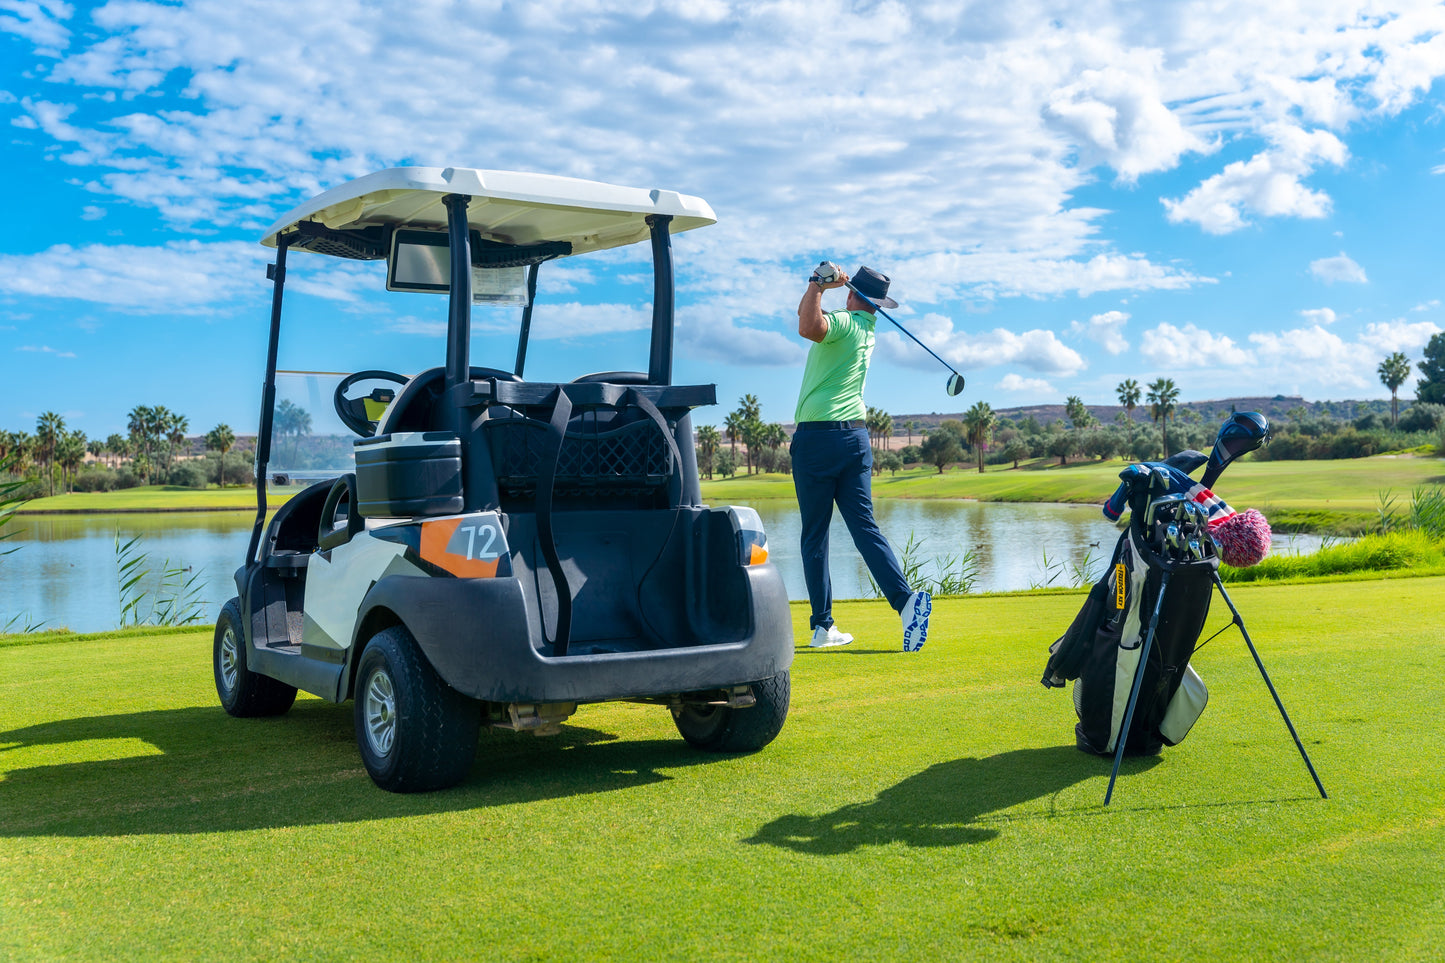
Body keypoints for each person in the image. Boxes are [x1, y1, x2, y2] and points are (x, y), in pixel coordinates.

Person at [790, 263, 931, 650]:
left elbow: (808, 327)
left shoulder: (848, 323)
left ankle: (822, 626)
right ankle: (905, 604)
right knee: (865, 527)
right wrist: (829, 286)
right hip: (855, 438)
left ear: (852, 295)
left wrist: (817, 286)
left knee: (815, 534)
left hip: (818, 441)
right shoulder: (868, 331)